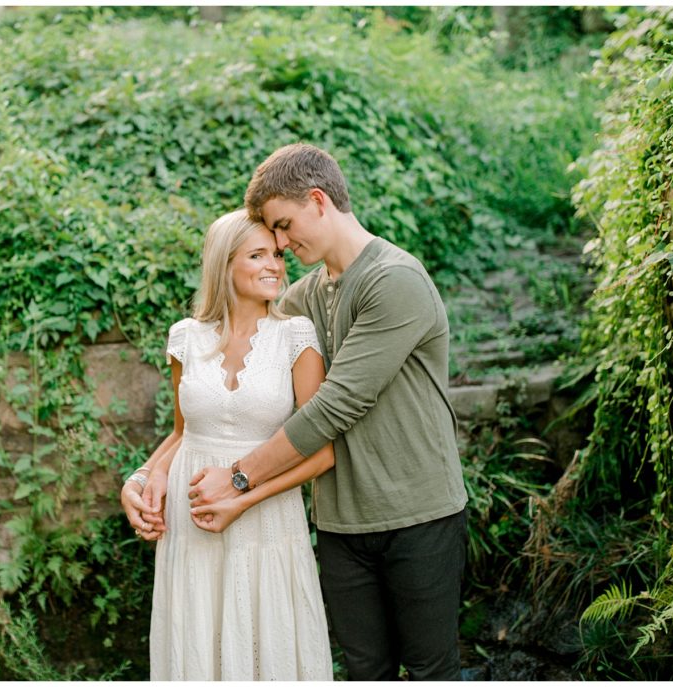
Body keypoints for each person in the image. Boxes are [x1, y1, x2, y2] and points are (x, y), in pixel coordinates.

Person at [188, 143, 469, 681]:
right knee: (365, 672)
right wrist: (151, 473)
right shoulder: (302, 298)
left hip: (420, 515)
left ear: (319, 200)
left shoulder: (394, 280)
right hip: (341, 524)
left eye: (284, 226)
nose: (280, 244)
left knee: (432, 670)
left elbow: (335, 406)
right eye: (271, 236)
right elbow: (235, 348)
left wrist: (239, 477)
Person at [119, 208, 335, 681]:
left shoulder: (295, 335)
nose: (275, 266)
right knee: (197, 646)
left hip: (267, 520)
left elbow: (321, 450)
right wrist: (137, 480)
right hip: (190, 523)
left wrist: (241, 498)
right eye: (257, 254)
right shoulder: (185, 338)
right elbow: (183, 434)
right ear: (224, 263)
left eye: (277, 255)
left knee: (269, 643)